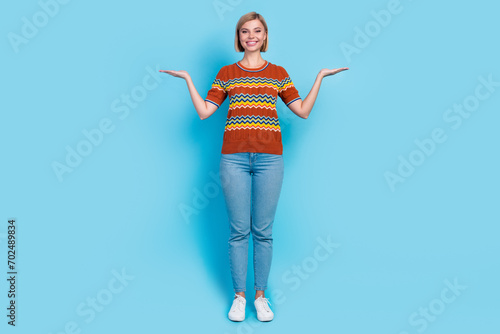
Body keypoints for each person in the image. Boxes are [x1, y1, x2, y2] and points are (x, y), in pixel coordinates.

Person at [160, 11, 348, 322]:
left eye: (257, 31)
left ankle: (260, 297)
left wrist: (319, 78)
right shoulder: (227, 73)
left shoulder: (277, 73)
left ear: (264, 36)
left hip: (270, 159)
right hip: (233, 158)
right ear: (239, 37)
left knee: (263, 232)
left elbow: (301, 111)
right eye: (245, 31)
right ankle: (238, 297)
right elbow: (206, 112)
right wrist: (188, 80)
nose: (251, 36)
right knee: (238, 231)